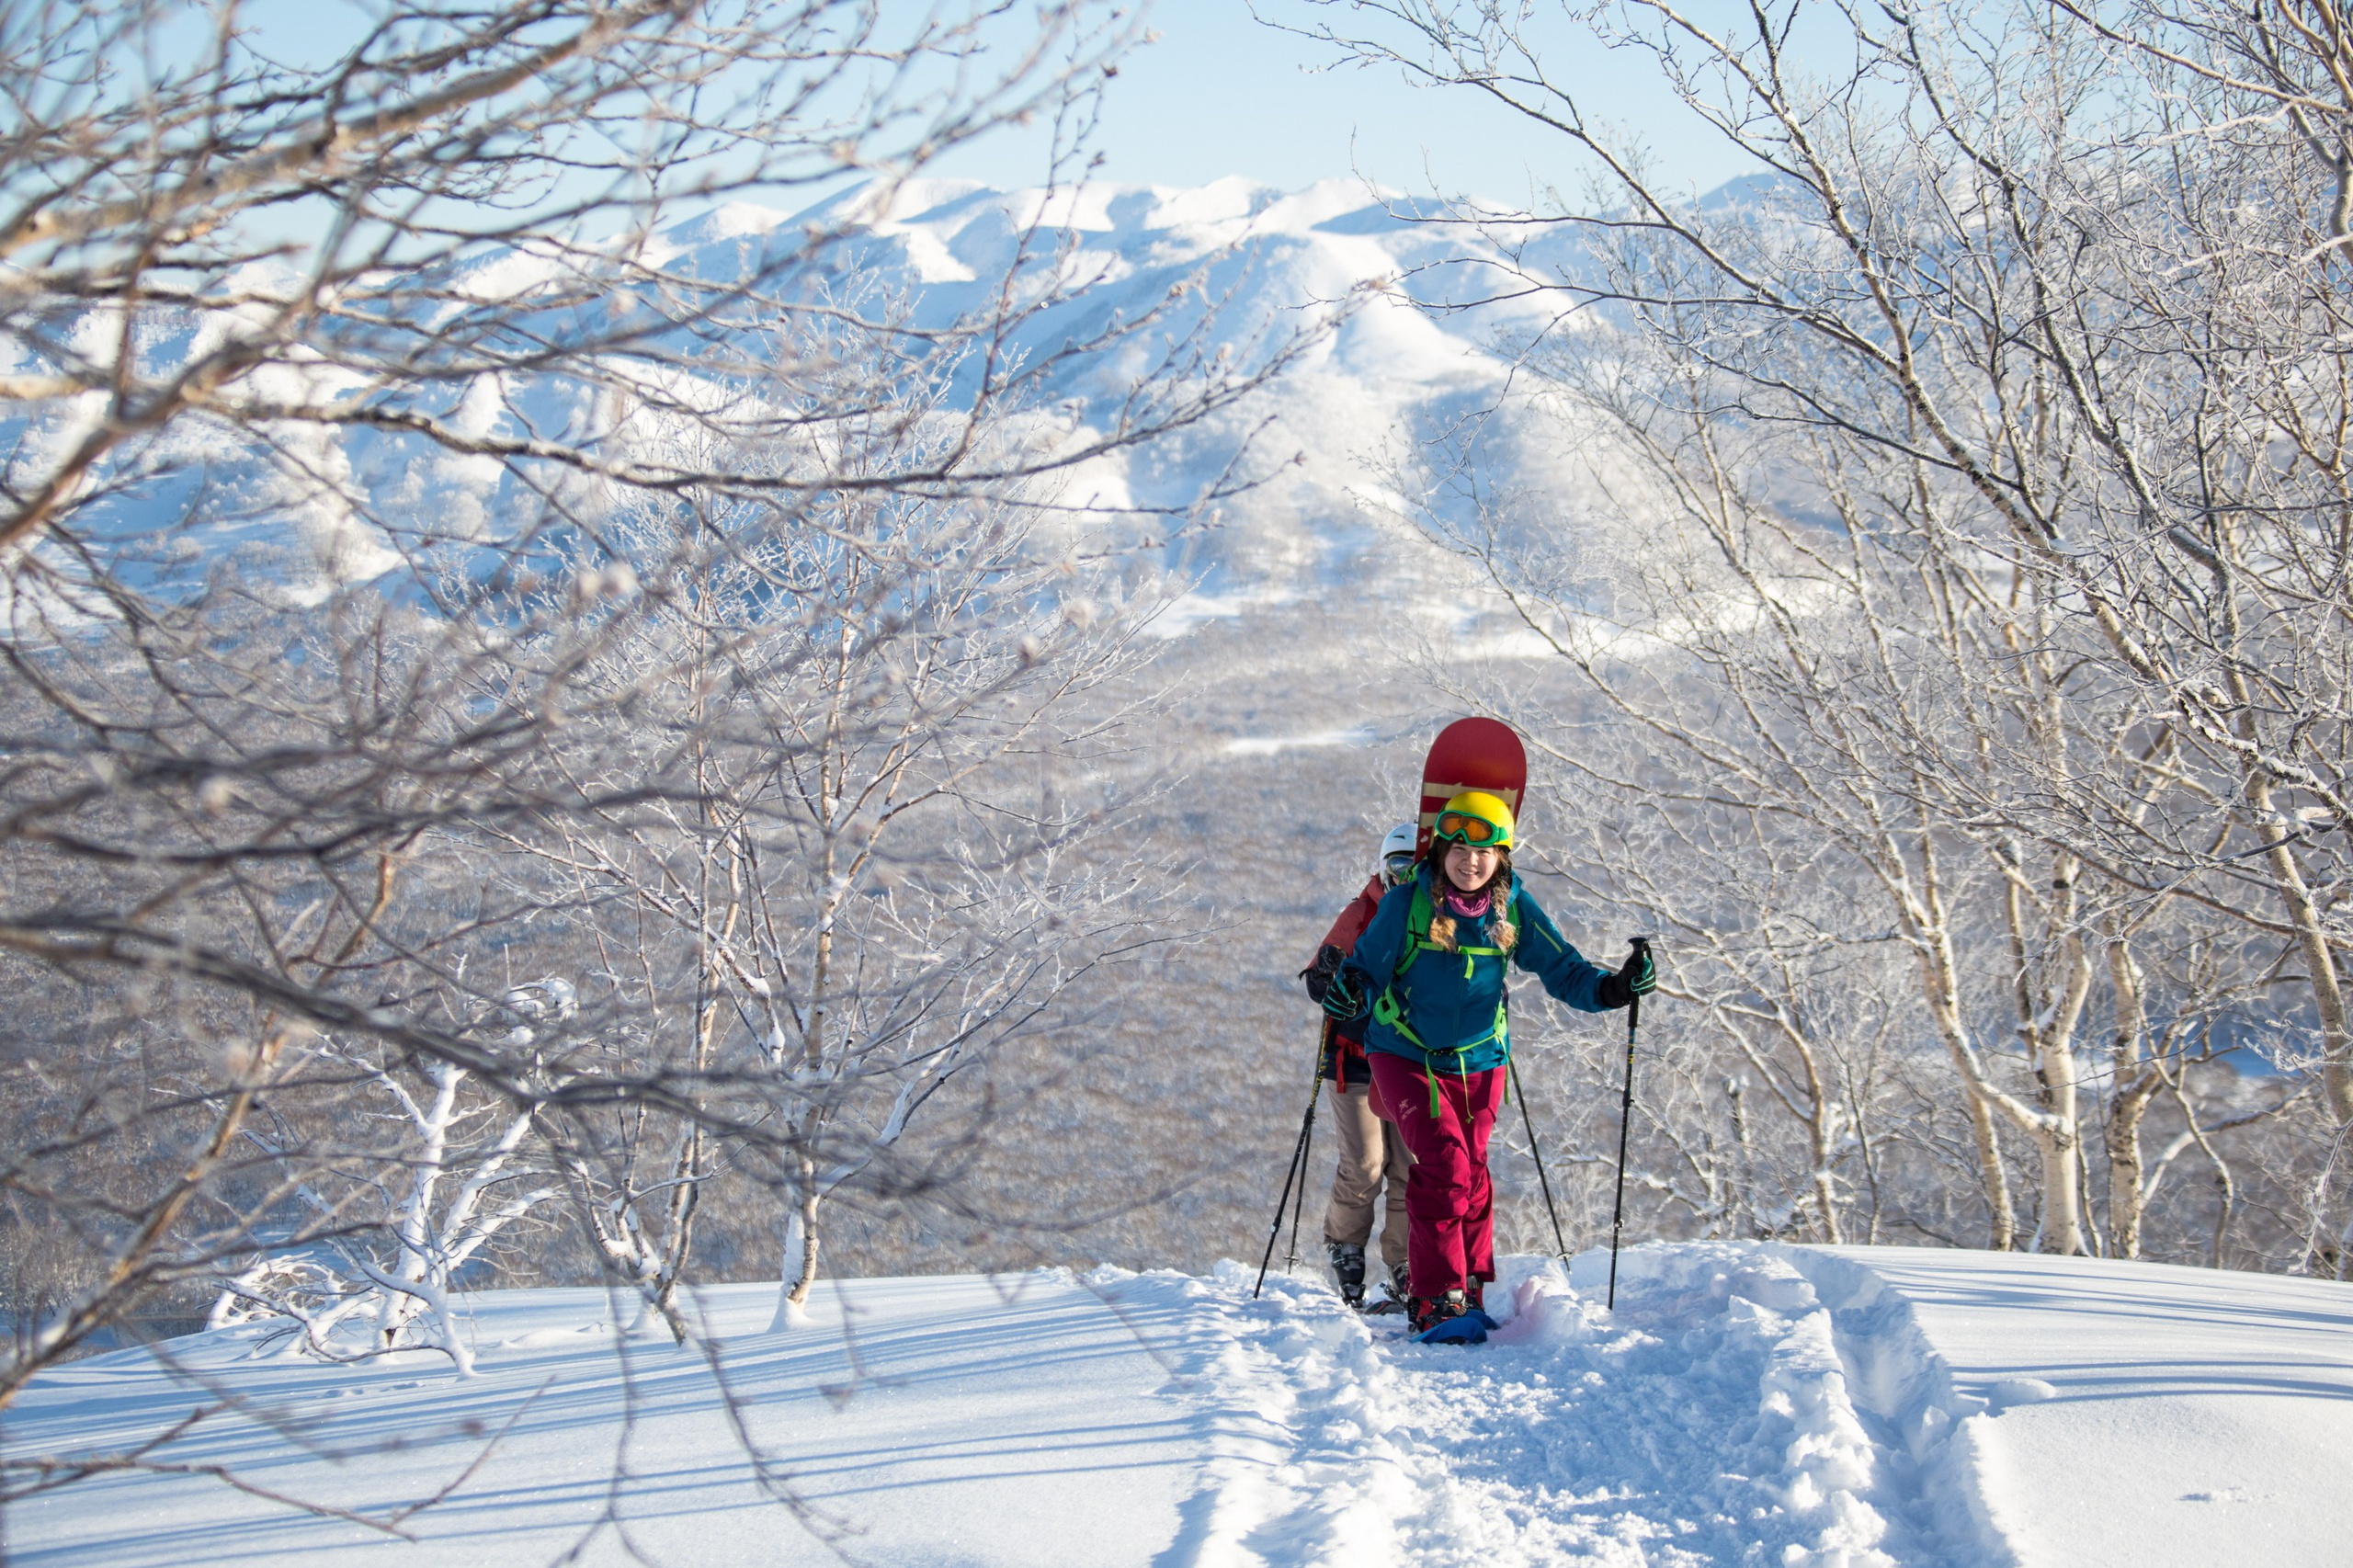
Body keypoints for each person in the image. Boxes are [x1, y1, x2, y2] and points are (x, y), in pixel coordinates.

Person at [1320, 790, 1655, 1338]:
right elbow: (1366, 969)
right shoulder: (1408, 904)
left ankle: (1470, 1285)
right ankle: (1434, 1299)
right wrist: (1350, 991)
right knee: (1445, 1164)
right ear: (1441, 850)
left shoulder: (1512, 907)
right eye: (1458, 848)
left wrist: (1614, 988)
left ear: (1501, 856)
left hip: (1480, 1058)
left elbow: (1566, 970)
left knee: (1472, 1172)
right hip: (1404, 1052)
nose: (1470, 861)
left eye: (1484, 851)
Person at [1300, 824, 1419, 1310]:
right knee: (1366, 1164)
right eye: (1398, 866)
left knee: (1411, 1166)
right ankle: (1346, 1245)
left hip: (1412, 1061)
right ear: (1384, 868)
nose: (1405, 876)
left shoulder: (1435, 916)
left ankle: (1404, 1262)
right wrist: (1329, 976)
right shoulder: (1363, 912)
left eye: (1415, 867)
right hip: (1355, 1061)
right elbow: (1317, 980)